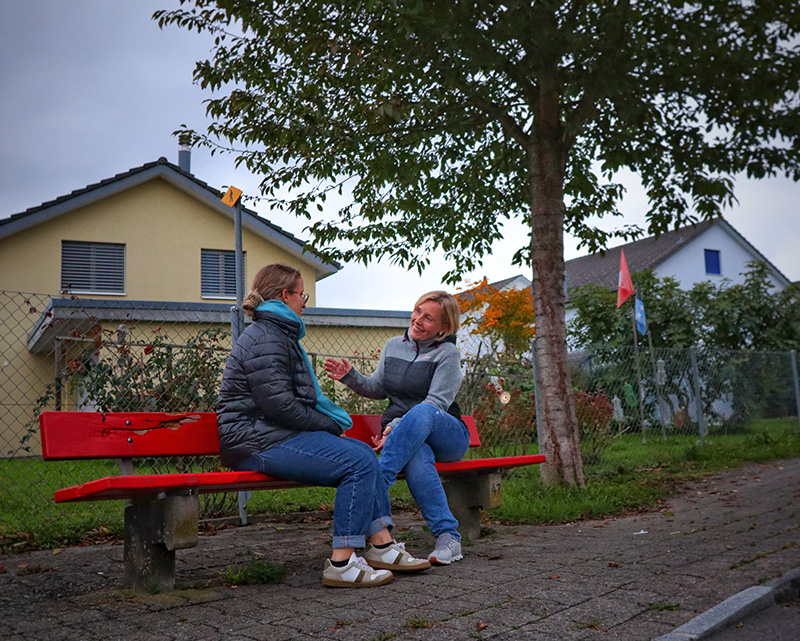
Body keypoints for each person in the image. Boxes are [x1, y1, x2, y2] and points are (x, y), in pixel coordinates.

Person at [216, 264, 430, 588]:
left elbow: (282, 404)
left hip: (269, 435)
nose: (305, 301)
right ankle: (342, 563)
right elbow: (278, 404)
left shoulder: (278, 334)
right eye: (302, 294)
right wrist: (328, 425)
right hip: (255, 441)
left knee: (360, 453)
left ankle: (382, 546)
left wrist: (327, 427)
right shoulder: (266, 337)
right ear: (284, 295)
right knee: (357, 461)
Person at [324, 291, 470, 565]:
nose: (418, 320)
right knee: (417, 458)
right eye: (417, 311)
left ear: (444, 327)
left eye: (429, 318)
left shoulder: (448, 354)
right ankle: (449, 537)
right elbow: (378, 389)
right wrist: (350, 377)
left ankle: (379, 482)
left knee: (423, 410)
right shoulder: (394, 346)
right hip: (409, 439)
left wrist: (395, 427)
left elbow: (437, 402)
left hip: (447, 434)